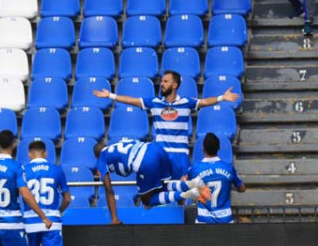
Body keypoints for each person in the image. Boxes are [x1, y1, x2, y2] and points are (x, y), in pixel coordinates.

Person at [93, 70, 239, 180]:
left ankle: (183, 220)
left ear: (174, 85)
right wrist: (110, 95)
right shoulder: (155, 102)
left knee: (183, 189)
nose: (162, 84)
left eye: (166, 81)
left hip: (180, 155)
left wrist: (222, 97)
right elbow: (132, 100)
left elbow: (205, 102)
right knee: (160, 188)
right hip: (161, 154)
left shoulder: (186, 102)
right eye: (162, 81)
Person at [94, 139, 209, 225]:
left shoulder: (101, 159)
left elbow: (109, 190)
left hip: (145, 160)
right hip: (156, 148)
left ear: (96, 156)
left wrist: (114, 218)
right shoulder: (118, 144)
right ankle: (190, 184)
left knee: (147, 200)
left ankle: (189, 193)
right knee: (161, 186)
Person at [187, 133, 245, 224]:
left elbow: (182, 183)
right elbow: (242, 188)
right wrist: (229, 186)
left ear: (203, 148)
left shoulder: (194, 169)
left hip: (203, 221)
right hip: (226, 220)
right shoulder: (229, 168)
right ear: (218, 148)